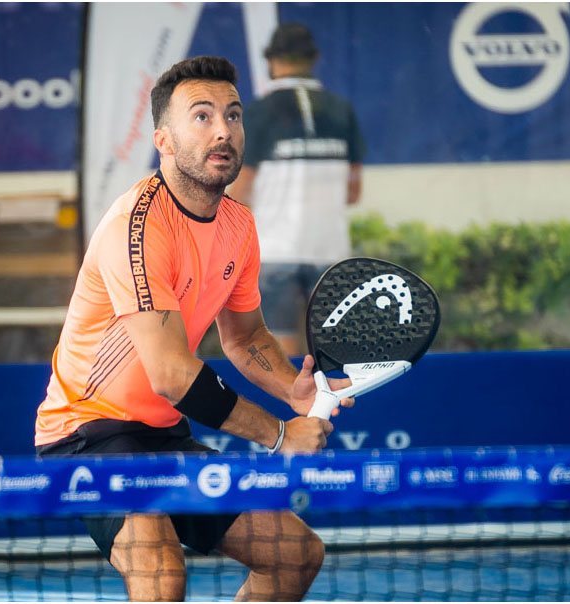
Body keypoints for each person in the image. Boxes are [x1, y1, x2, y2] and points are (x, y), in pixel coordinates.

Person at [35, 56, 352, 602]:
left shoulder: (239, 224)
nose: (223, 130)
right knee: (161, 577)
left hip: (161, 433)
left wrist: (291, 389)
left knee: (295, 556)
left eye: (233, 115)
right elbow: (171, 375)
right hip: (86, 432)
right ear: (163, 139)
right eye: (202, 116)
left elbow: (245, 337)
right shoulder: (137, 227)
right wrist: (280, 435)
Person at [227, 23, 366, 356]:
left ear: (271, 62)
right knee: (333, 352)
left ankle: (291, 392)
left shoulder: (258, 113)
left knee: (281, 352)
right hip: (330, 251)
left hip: (275, 252)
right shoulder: (341, 109)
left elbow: (240, 191)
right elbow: (353, 193)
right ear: (314, 60)